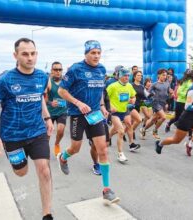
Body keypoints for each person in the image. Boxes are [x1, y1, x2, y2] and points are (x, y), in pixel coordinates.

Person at [0, 38, 54, 220]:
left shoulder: (42, 77)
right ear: (16, 55)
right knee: (21, 173)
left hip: (37, 131)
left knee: (44, 170)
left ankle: (47, 214)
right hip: (12, 135)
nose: (30, 58)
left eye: (33, 53)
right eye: (25, 54)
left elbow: (39, 98)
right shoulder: (6, 79)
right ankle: (19, 164)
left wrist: (47, 117)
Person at [57, 40, 120, 204]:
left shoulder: (102, 69)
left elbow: (99, 90)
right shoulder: (76, 69)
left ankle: (106, 190)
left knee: (103, 150)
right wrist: (78, 103)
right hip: (78, 114)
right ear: (86, 54)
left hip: (95, 115)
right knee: (75, 148)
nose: (96, 56)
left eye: (99, 52)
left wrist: (101, 106)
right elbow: (62, 90)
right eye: (93, 53)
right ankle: (63, 157)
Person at [107, 67, 140, 163]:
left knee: (128, 125)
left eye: (128, 75)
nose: (127, 77)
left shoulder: (129, 86)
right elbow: (104, 97)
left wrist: (133, 100)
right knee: (121, 131)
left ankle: (108, 138)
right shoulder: (113, 86)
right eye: (125, 75)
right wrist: (110, 106)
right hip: (115, 113)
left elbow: (133, 96)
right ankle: (120, 154)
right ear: (120, 76)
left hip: (125, 110)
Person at [140, 69, 173, 140]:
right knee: (164, 117)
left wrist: (171, 94)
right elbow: (147, 94)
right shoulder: (154, 84)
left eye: (166, 75)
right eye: (163, 75)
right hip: (156, 103)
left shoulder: (167, 83)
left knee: (153, 120)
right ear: (159, 75)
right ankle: (155, 131)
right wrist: (152, 95)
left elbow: (169, 95)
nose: (165, 77)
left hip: (163, 103)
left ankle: (144, 129)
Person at [46, 61, 67, 157]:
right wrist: (50, 102)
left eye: (60, 69)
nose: (58, 71)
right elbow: (44, 99)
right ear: (51, 71)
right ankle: (45, 148)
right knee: (48, 133)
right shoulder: (48, 81)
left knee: (60, 130)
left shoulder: (66, 82)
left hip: (62, 111)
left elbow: (71, 95)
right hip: (50, 111)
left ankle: (57, 143)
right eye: (55, 69)